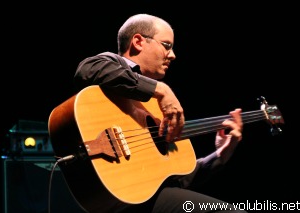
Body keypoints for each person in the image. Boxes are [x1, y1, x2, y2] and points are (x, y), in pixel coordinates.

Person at [73, 14, 246, 213]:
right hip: (115, 199)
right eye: (166, 45)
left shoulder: (154, 106)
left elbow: (179, 181)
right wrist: (161, 89)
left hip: (139, 197)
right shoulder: (112, 65)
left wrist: (220, 155)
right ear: (138, 42)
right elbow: (87, 70)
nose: (173, 55)